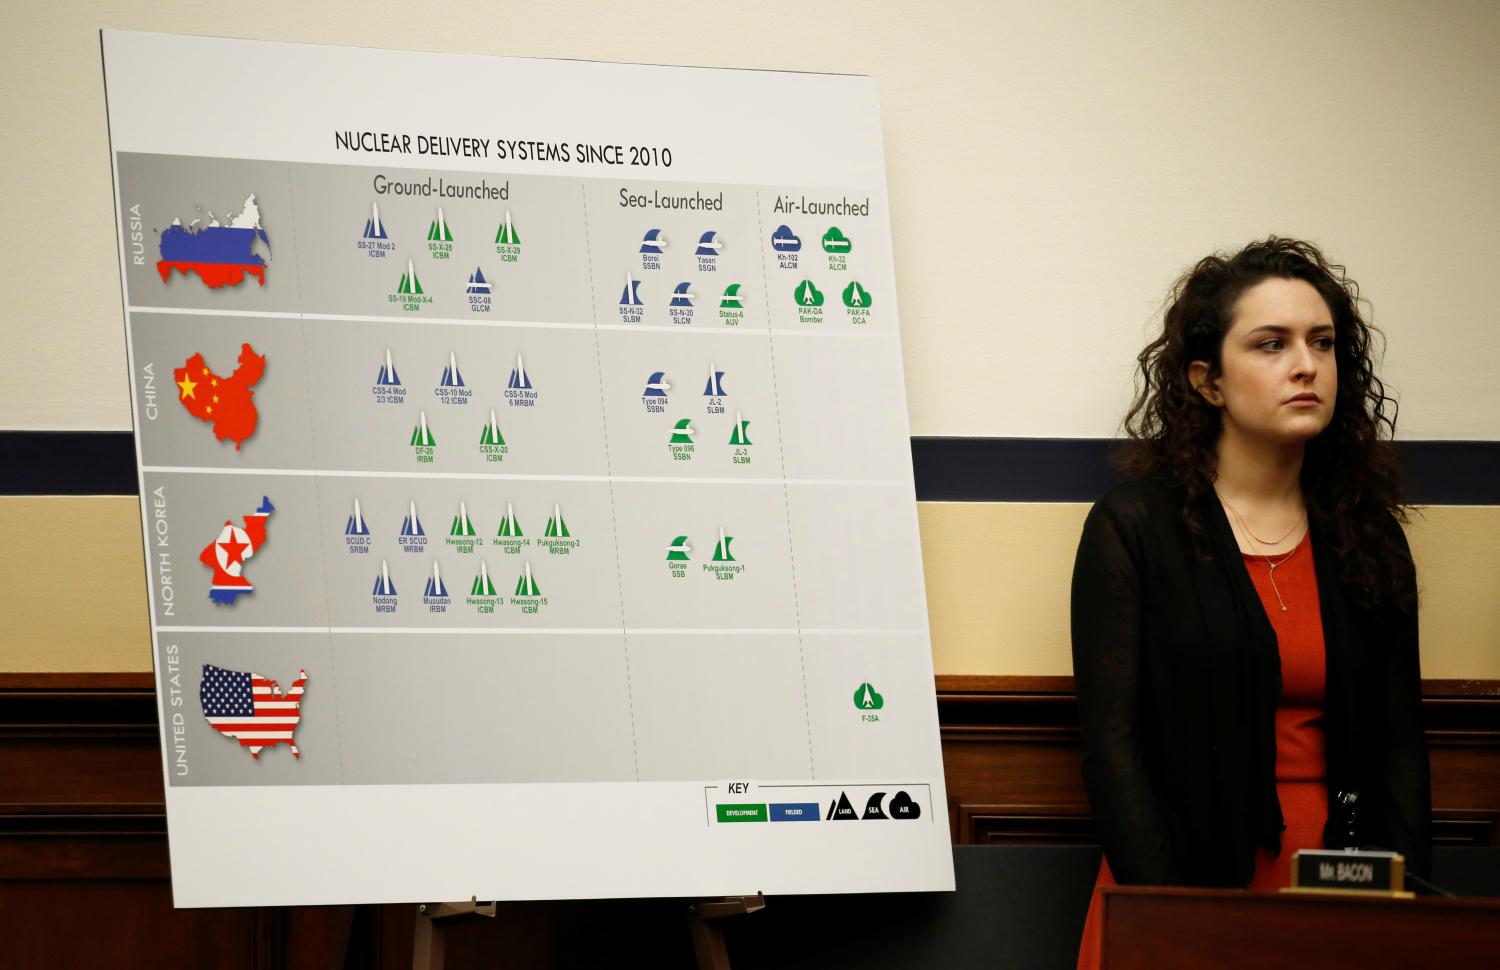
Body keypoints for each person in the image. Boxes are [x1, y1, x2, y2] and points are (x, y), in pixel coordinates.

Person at [1071, 238, 1430, 968]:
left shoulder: (1367, 534)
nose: (1305, 365)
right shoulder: (1135, 526)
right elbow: (1114, 749)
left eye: (1322, 343)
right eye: (1271, 344)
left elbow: (1400, 750)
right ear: (1207, 381)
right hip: (1177, 890)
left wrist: (1405, 915)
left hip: (1337, 890)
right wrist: (1169, 915)